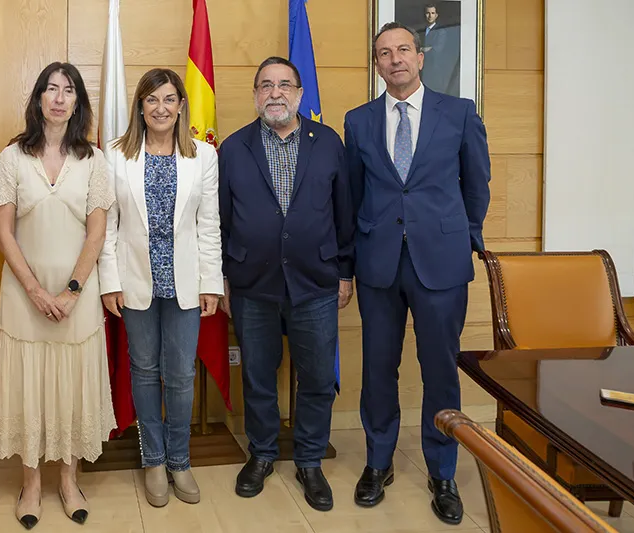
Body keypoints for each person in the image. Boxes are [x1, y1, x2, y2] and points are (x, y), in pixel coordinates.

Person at [344, 23, 490, 525]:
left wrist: (463, 237)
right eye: (384, 53)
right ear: (377, 64)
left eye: (403, 50)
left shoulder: (459, 113)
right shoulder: (359, 121)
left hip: (442, 264)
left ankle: (442, 470)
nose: (394, 59)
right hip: (379, 263)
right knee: (378, 370)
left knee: (440, 371)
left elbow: (478, 186)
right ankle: (378, 462)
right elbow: (354, 194)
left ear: (421, 57)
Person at [218, 57, 354, 512]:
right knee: (258, 376)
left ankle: (310, 461)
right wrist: (222, 276)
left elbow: (344, 214)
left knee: (316, 379)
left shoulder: (328, 142)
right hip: (252, 284)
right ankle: (261, 454)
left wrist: (345, 272)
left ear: (299, 94)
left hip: (315, 281)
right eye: (265, 86)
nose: (275, 93)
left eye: (284, 85)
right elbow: (219, 220)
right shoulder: (234, 148)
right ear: (255, 95)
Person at [0, 62, 117, 529]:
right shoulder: (12, 157)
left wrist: (70, 291)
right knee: (29, 387)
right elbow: (3, 231)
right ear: (38, 98)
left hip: (77, 299)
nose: (59, 98)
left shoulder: (94, 160)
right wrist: (37, 291)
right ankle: (31, 486)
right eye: (50, 89)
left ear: (78, 102)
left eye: (68, 91)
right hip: (24, 296)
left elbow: (97, 233)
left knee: (70, 387)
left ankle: (68, 481)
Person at [98, 68, 222, 508]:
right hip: (135, 282)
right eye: (152, 100)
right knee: (145, 371)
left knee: (182, 374)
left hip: (185, 282)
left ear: (181, 105)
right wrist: (109, 282)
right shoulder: (115, 156)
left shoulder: (204, 157)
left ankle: (180, 460)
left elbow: (208, 225)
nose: (161, 108)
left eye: (169, 99)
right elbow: (108, 226)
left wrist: (212, 282)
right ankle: (153, 459)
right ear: (140, 106)